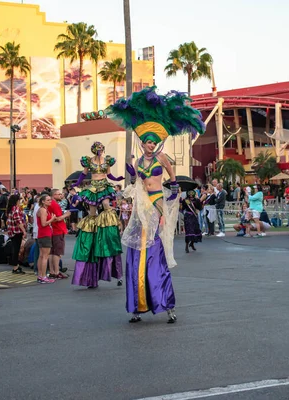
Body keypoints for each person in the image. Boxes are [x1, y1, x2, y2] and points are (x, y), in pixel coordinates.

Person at [108, 86, 205, 324]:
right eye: (147, 142)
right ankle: (138, 305)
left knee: (154, 254)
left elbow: (172, 177)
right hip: (141, 206)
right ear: (143, 143)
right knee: (137, 254)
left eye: (153, 142)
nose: (151, 145)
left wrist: (173, 192)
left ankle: (165, 304)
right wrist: (131, 175)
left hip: (157, 203)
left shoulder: (162, 158)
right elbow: (137, 183)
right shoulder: (139, 160)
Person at [70, 142, 123, 289]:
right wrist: (77, 183)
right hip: (93, 186)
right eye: (97, 149)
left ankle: (109, 226)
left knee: (106, 206)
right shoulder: (88, 160)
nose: (99, 151)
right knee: (92, 214)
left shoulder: (107, 160)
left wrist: (117, 179)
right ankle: (92, 229)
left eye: (101, 149)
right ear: (94, 150)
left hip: (104, 185)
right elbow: (83, 173)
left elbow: (109, 174)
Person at [47, 189, 70, 280]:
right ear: (54, 195)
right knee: (57, 252)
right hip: (58, 230)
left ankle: (52, 271)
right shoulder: (55, 204)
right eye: (59, 194)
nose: (61, 195)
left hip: (53, 230)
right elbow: (57, 218)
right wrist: (66, 215)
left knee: (52, 252)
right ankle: (56, 271)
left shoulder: (51, 204)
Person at [36, 194, 56, 284]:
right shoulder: (43, 210)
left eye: (50, 200)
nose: (50, 201)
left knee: (41, 255)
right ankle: (43, 276)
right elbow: (44, 223)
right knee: (45, 256)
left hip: (42, 234)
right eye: (48, 200)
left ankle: (40, 275)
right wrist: (52, 219)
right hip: (45, 234)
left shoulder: (43, 210)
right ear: (43, 201)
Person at [6, 194, 27, 274]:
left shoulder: (10, 209)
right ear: (17, 201)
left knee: (15, 248)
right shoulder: (16, 209)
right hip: (17, 231)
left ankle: (16, 265)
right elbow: (18, 221)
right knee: (16, 249)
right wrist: (24, 231)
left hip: (11, 231)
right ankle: (15, 267)